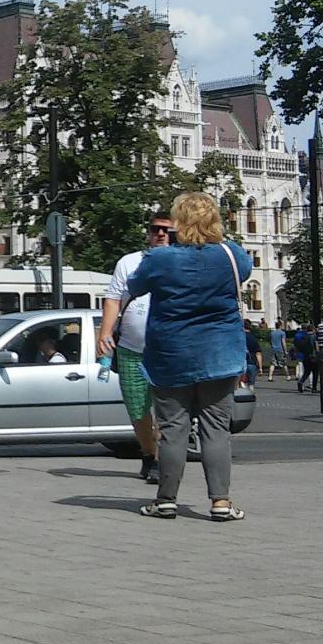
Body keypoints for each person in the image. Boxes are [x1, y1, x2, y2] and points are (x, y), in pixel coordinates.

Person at [128, 191, 252, 521]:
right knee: (216, 429)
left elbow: (134, 286)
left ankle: (166, 499)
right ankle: (221, 502)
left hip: (171, 354)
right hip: (221, 354)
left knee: (172, 429)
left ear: (177, 222)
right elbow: (244, 272)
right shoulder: (231, 255)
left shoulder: (160, 259)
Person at [97, 211, 172, 483]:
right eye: (155, 229)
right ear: (148, 232)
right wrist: (105, 333)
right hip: (131, 348)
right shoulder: (129, 262)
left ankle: (161, 460)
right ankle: (149, 454)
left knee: (167, 410)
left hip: (168, 350)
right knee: (138, 409)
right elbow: (113, 298)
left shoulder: (181, 261)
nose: (160, 234)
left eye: (166, 230)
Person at [242, 319, 262, 391]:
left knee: (241, 383)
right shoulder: (254, 338)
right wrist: (260, 367)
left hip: (240, 363)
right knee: (251, 385)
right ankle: (250, 394)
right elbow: (258, 353)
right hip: (252, 363)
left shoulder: (239, 338)